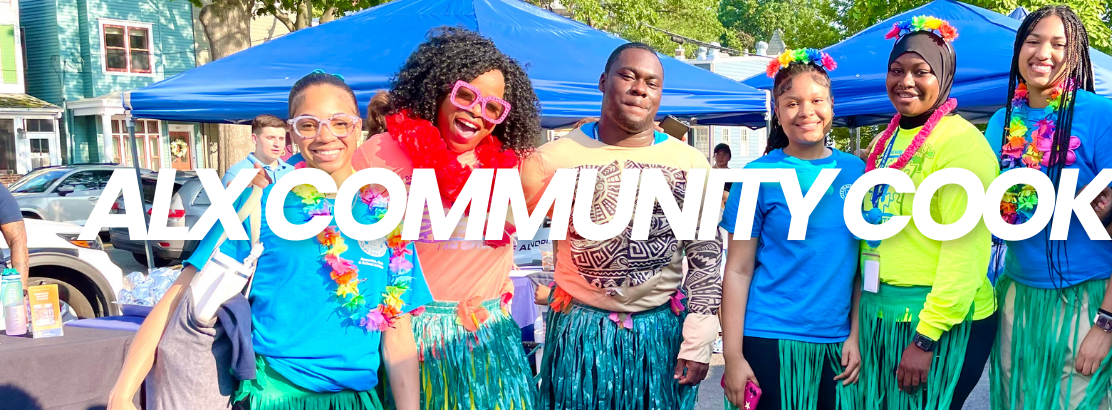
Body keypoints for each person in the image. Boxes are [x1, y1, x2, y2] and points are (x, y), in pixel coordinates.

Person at [107, 71, 433, 410]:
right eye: (309, 124)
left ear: (357, 127)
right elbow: (179, 296)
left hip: (360, 401)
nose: (325, 135)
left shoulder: (386, 217)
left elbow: (398, 333)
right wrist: (122, 394)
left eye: (340, 122)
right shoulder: (257, 204)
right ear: (292, 131)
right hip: (278, 397)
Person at [521, 42, 722, 410]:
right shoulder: (550, 160)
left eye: (652, 82)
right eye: (627, 76)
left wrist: (698, 342)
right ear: (603, 81)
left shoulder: (689, 162)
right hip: (579, 339)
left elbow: (706, 255)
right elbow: (500, 231)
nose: (639, 88)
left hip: (659, 339)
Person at [351, 27, 540, 410]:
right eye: (465, 95)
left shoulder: (513, 165)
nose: (476, 112)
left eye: (493, 107)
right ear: (438, 89)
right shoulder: (379, 153)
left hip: (490, 339)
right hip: (410, 338)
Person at [981, 6, 1112, 409]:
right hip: (1019, 296)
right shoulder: (1002, 120)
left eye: (1058, 43)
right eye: (1033, 41)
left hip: (1088, 297)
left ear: (1076, 53)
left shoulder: (1100, 115)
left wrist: (1107, 320)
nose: (1043, 52)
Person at [856, 16, 998, 409]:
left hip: (937, 323)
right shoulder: (887, 136)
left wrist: (925, 338)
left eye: (921, 71)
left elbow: (965, 252)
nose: (906, 82)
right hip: (883, 314)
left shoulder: (962, 145)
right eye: (896, 70)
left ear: (944, 76)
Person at [719, 48, 863, 410]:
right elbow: (737, 269)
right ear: (778, 112)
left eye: (817, 100)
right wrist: (733, 356)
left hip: (837, 343)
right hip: (769, 336)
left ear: (832, 105)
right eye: (792, 102)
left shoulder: (857, 171)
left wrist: (856, 335)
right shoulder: (757, 174)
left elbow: (864, 262)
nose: (806, 112)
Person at [223, 114, 294, 186]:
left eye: (281, 139)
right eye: (270, 138)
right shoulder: (236, 173)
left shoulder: (292, 172)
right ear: (254, 139)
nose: (277, 144)